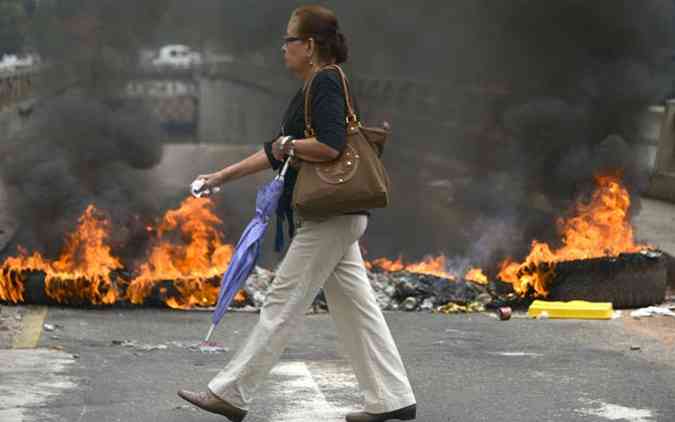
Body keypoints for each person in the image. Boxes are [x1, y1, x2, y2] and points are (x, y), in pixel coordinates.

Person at [177, 5, 417, 422]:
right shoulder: (313, 87)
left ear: (309, 46)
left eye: (289, 40)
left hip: (330, 217)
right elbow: (274, 150)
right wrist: (220, 175)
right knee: (358, 311)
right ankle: (392, 399)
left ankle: (231, 393)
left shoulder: (325, 82)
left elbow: (329, 146)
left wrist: (290, 146)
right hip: (338, 216)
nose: (282, 48)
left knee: (282, 302)